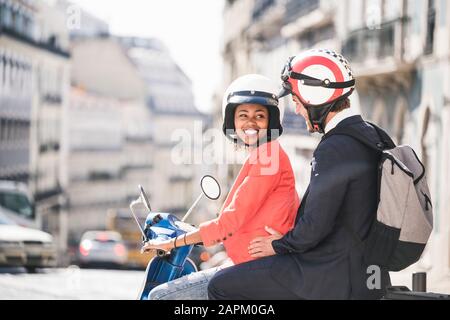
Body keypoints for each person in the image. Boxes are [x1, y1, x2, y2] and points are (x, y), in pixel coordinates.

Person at [207, 49, 393, 300]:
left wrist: (276, 245)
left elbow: (314, 227)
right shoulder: (374, 136)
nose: (295, 110)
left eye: (295, 100)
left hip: (328, 274)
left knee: (220, 285)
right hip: (365, 271)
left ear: (313, 95)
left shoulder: (335, 148)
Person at [141, 74, 299, 300]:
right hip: (252, 265)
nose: (250, 122)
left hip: (257, 269)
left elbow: (230, 222)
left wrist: (171, 243)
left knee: (160, 296)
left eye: (260, 116)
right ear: (232, 120)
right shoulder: (263, 155)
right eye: (243, 115)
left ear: (271, 120)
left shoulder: (268, 157)